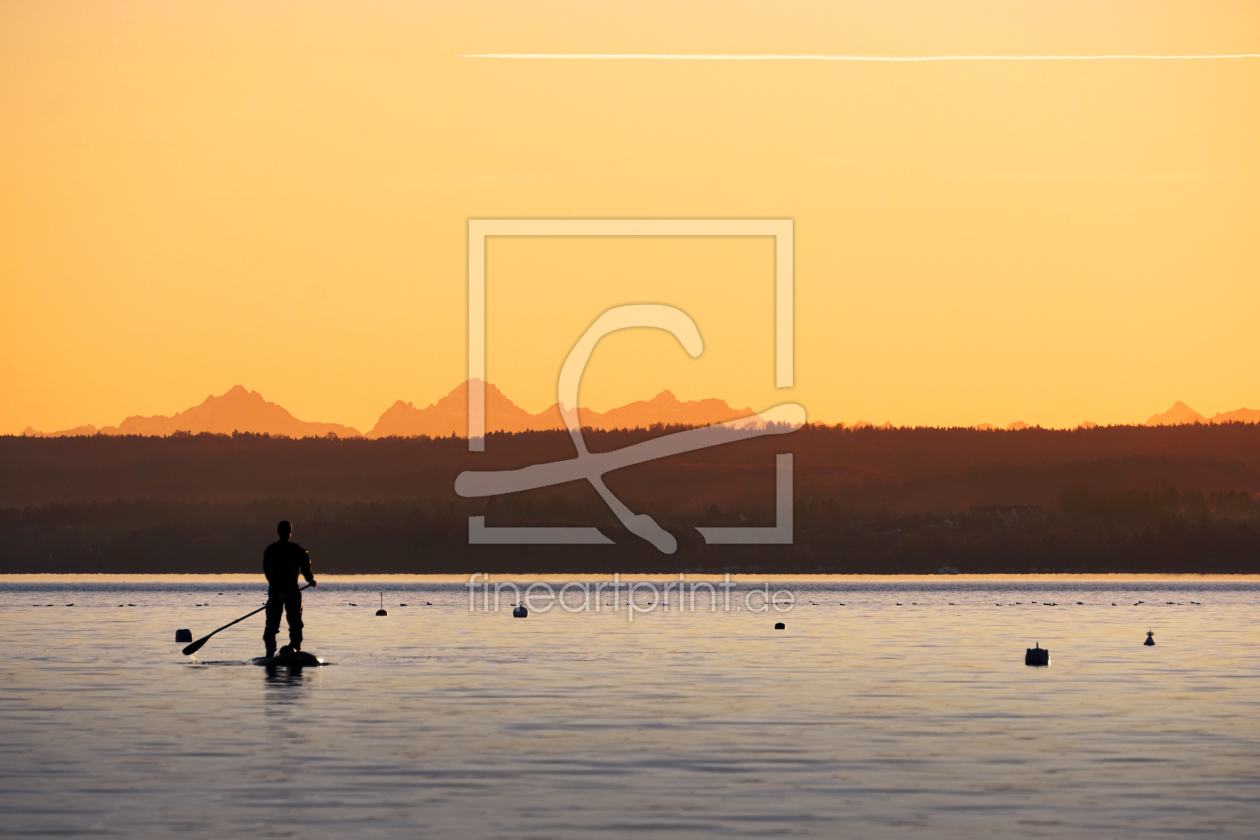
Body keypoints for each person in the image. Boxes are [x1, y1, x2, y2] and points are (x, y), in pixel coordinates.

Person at [262, 520, 316, 658]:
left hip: (292, 592)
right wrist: (279, 592)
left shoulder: (297, 550)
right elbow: (269, 572)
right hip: (277, 592)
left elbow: (305, 566)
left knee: (295, 623)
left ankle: (295, 648)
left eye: (287, 531)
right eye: (285, 531)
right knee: (273, 625)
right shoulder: (272, 550)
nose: (286, 534)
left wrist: (310, 579)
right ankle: (270, 653)